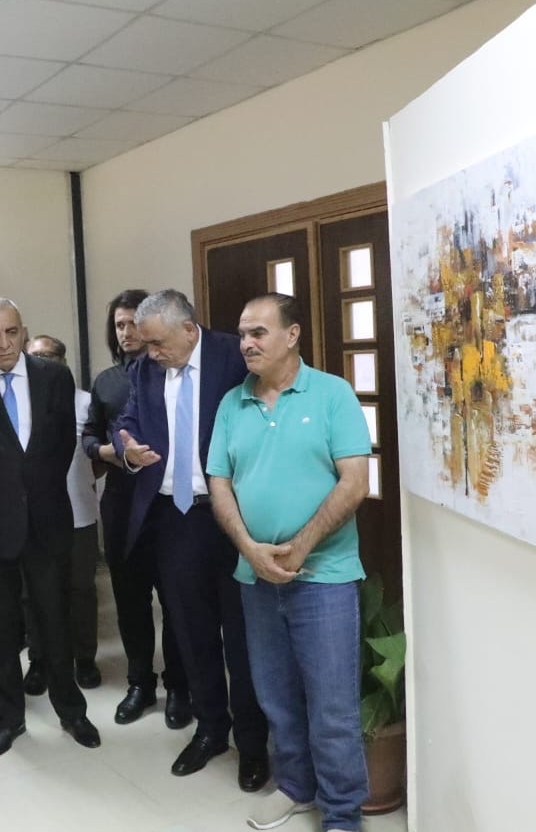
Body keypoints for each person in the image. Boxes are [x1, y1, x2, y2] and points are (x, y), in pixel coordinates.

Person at [207, 293, 372, 832]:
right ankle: (297, 788)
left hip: (324, 577)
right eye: (242, 334)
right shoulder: (232, 403)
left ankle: (343, 813)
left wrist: (301, 546)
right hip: (255, 577)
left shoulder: (332, 394)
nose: (246, 343)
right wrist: (249, 548)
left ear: (292, 334)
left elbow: (355, 481)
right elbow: (218, 482)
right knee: (275, 696)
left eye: (258, 332)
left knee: (332, 707)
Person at [113, 289, 269, 792]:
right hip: (174, 519)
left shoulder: (232, 357)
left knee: (242, 638)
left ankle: (252, 742)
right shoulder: (145, 369)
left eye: (158, 343)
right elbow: (126, 421)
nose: (151, 352)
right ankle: (211, 730)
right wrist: (127, 448)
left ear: (187, 329)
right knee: (191, 631)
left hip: (233, 515)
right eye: (146, 344)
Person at [0, 298, 99, 759]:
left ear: (23, 331)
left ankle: (71, 710)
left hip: (46, 519)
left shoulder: (54, 377)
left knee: (54, 619)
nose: (4, 344)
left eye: (11, 332)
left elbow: (63, 443)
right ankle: (10, 719)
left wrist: (34, 486)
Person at [81, 289, 191, 728]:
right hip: (123, 502)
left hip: (167, 502)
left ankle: (179, 685)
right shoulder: (107, 381)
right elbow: (90, 435)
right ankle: (140, 683)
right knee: (129, 598)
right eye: (119, 325)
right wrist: (108, 452)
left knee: (175, 598)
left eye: (132, 324)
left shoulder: (174, 372)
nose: (126, 333)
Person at [23, 335, 101, 691]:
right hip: (33, 515)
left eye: (50, 356)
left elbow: (98, 456)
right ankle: (39, 660)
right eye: (36, 357)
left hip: (79, 511)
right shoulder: (20, 401)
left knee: (81, 589)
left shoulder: (86, 402)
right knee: (34, 592)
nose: (43, 363)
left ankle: (84, 659)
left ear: (64, 361)